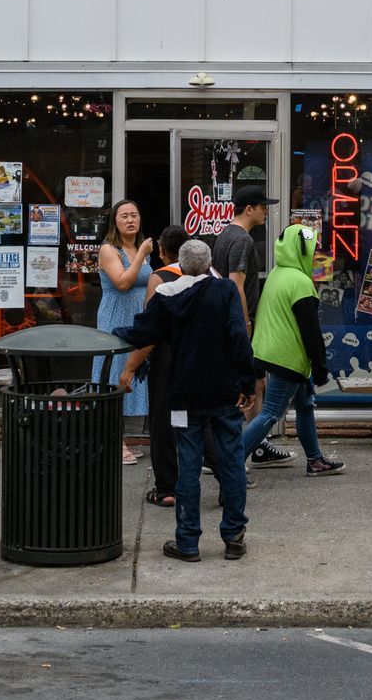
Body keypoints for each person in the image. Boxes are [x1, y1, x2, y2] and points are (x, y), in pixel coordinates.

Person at [122, 239, 255, 562]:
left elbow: (143, 333)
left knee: (188, 467)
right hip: (223, 389)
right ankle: (234, 536)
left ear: (179, 267)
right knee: (231, 461)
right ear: (209, 264)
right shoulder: (224, 291)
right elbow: (239, 336)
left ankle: (188, 541)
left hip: (183, 392)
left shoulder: (168, 295)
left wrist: (112, 333)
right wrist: (246, 382)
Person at [240, 223, 342, 477]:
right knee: (271, 413)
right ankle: (230, 459)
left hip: (273, 352)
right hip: (290, 357)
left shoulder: (278, 273)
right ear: (302, 249)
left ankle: (315, 460)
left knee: (305, 404)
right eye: (313, 246)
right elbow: (311, 331)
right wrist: (320, 368)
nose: (316, 251)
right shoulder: (301, 283)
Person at [215, 185, 290, 469]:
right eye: (263, 206)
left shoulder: (224, 234)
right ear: (250, 209)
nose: (266, 211)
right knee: (245, 386)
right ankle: (236, 452)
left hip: (230, 321)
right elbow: (235, 283)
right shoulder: (242, 239)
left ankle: (257, 446)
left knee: (256, 382)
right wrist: (244, 323)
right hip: (238, 323)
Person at [125, 225, 196, 506]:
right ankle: (227, 478)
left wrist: (131, 366)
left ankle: (167, 488)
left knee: (163, 420)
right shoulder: (209, 275)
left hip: (168, 356)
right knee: (202, 420)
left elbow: (151, 328)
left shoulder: (161, 277)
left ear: (163, 252)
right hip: (198, 356)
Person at [97, 200, 154, 466]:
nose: (130, 220)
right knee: (114, 373)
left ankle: (120, 437)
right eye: (124, 216)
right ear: (115, 222)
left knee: (134, 372)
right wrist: (141, 254)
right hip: (115, 317)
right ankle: (113, 441)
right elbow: (122, 282)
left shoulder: (140, 249)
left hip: (138, 318)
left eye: (134, 215)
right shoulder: (109, 249)